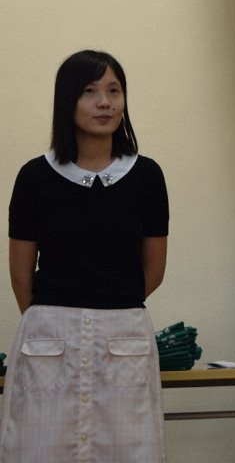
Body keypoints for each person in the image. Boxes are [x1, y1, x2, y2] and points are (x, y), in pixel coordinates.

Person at [2, 50, 168, 462]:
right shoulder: (34, 177)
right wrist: (55, 321)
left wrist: (109, 303)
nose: (104, 103)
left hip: (125, 334)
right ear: (67, 100)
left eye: (114, 91)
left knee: (128, 450)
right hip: (49, 335)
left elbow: (153, 269)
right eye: (90, 92)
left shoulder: (146, 176)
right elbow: (21, 274)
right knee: (40, 449)